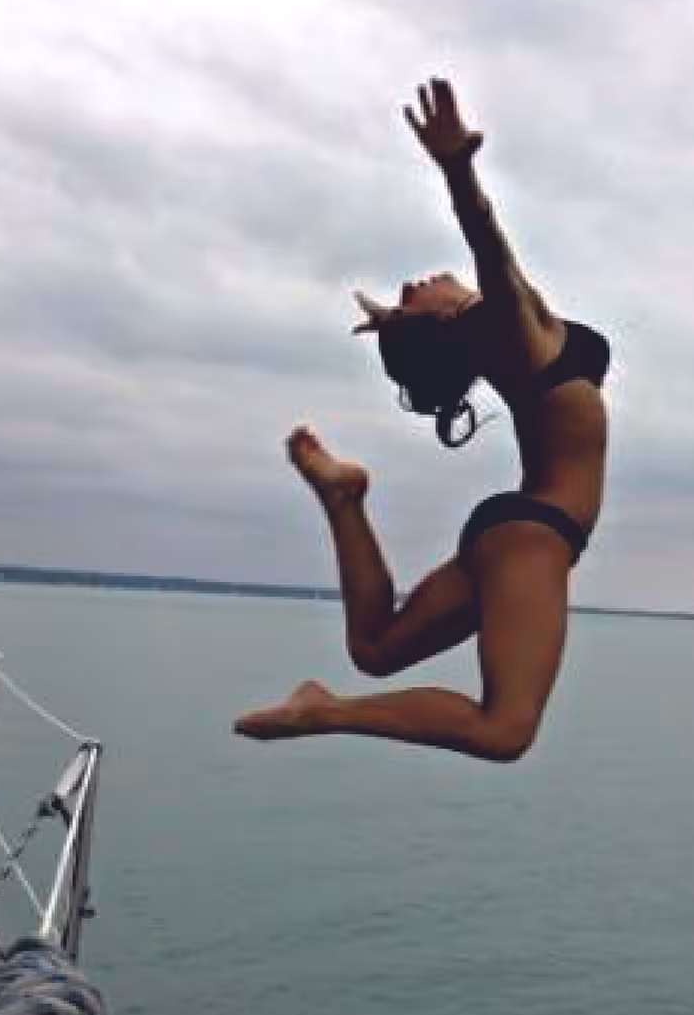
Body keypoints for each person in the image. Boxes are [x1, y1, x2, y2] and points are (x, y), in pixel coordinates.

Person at [235, 78, 610, 762]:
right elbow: (489, 247)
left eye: (410, 292)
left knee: (375, 648)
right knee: (505, 731)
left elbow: (496, 279)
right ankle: (326, 712)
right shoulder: (509, 332)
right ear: (446, 322)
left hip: (514, 530)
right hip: (536, 534)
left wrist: (397, 324)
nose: (417, 282)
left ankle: (345, 500)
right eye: (415, 296)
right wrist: (458, 169)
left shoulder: (506, 330)